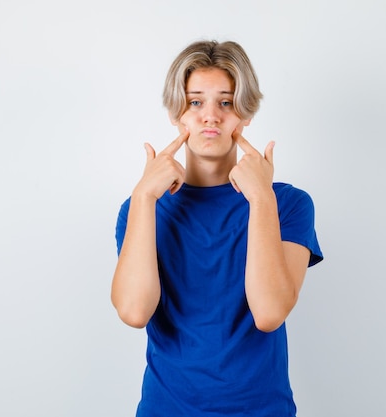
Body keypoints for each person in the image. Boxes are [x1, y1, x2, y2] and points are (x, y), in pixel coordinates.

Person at [111, 40, 323, 417]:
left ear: (245, 113)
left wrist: (260, 200)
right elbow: (134, 311)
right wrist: (144, 198)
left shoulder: (288, 204)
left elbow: (269, 312)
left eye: (225, 102)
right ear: (177, 112)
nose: (210, 116)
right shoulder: (141, 208)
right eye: (195, 102)